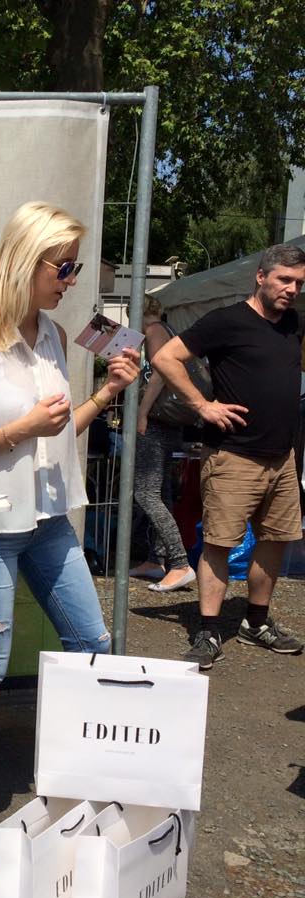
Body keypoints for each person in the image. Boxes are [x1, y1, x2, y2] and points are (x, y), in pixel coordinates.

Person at [0, 201, 140, 715]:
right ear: (26, 261)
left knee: (93, 644)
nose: (72, 281)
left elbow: (55, 434)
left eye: (75, 267)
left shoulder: (55, 336)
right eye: (64, 267)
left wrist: (107, 392)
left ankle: (84, 754)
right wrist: (21, 429)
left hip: (49, 520)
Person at [152, 243, 305, 668]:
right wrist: (202, 406)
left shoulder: (293, 323)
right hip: (233, 456)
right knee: (219, 544)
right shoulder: (227, 320)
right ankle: (208, 630)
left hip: (282, 458)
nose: (292, 290)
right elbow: (166, 357)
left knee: (275, 541)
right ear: (261, 277)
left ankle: (255, 622)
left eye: (298, 283)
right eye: (284, 280)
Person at [129, 296, 197, 592]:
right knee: (162, 493)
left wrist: (142, 412)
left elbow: (160, 372)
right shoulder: (168, 330)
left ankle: (180, 563)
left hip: (157, 420)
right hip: (170, 421)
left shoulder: (155, 331)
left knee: (145, 493)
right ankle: (156, 560)